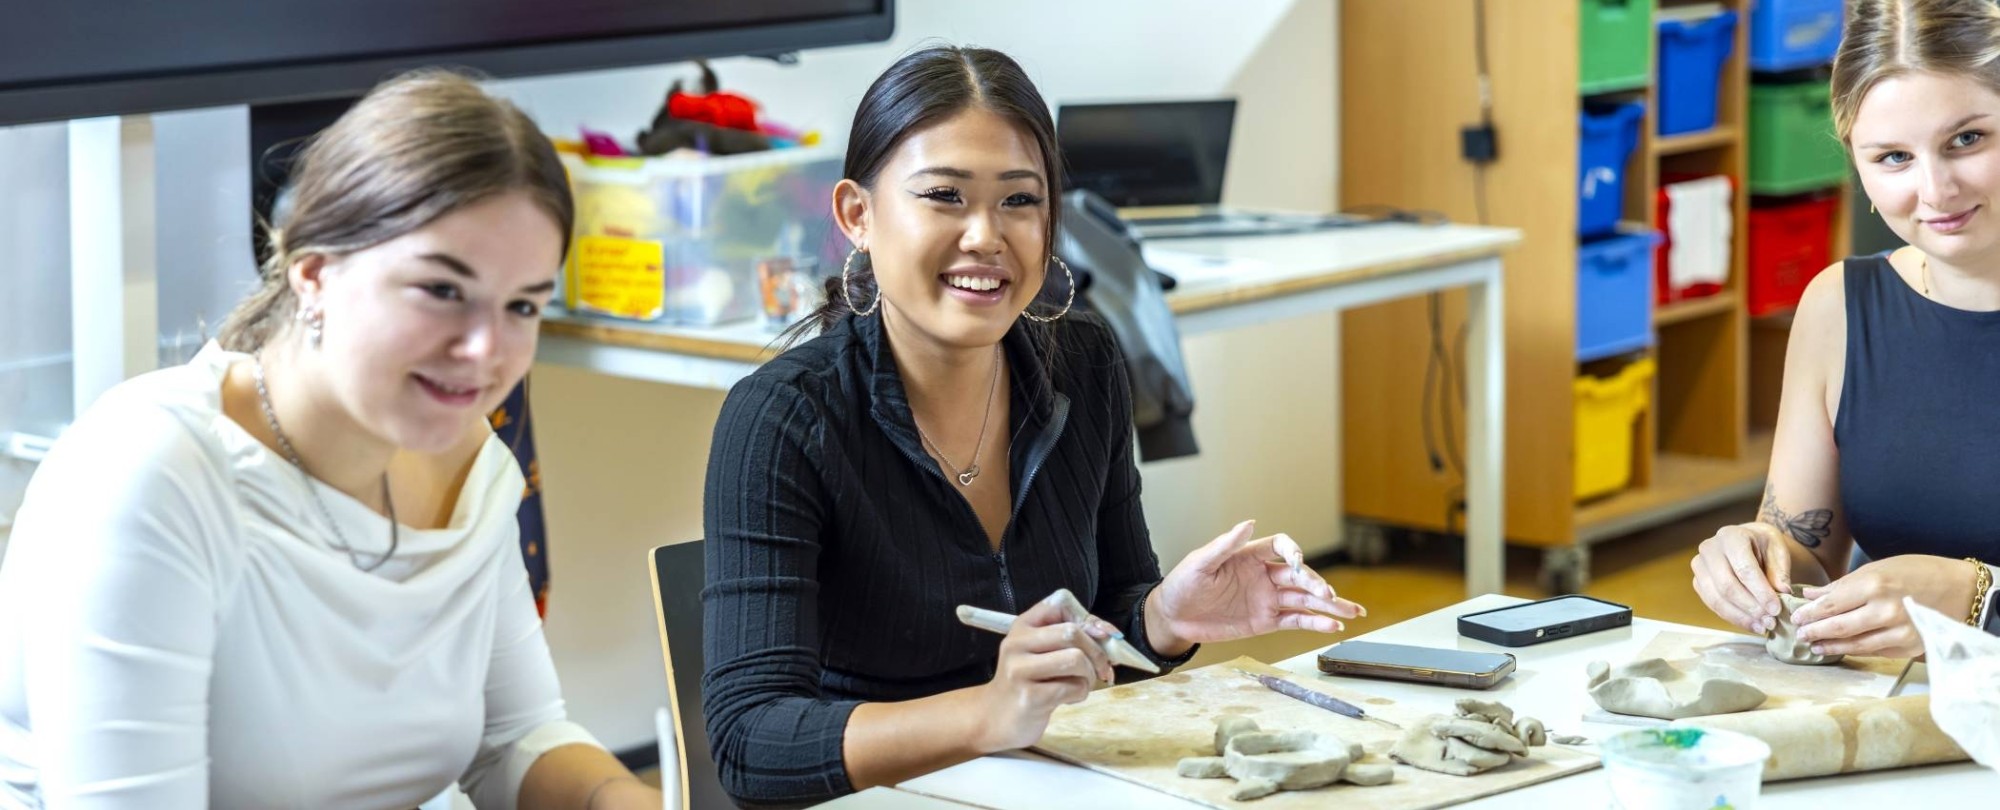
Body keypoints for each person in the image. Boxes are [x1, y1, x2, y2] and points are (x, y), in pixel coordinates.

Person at [701, 45, 1365, 807]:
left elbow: (1113, 609)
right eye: (945, 195)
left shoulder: (1082, 363)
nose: (987, 235)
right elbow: (751, 742)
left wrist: (1165, 617)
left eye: (1020, 200)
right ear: (858, 214)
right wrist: (988, 713)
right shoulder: (782, 418)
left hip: (1054, 783)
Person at [0, 70, 660, 809]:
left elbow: (515, 737)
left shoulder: (468, 460)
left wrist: (613, 797)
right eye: (442, 290)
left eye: (522, 305)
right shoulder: (149, 475)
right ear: (314, 272)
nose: (485, 349)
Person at [1691, 0, 2000, 658]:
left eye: (1968, 140)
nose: (1936, 189)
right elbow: (1808, 556)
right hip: (1903, 720)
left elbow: (1968, 601)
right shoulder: (1840, 306)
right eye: (1892, 157)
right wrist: (1755, 560)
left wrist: (1980, 599)